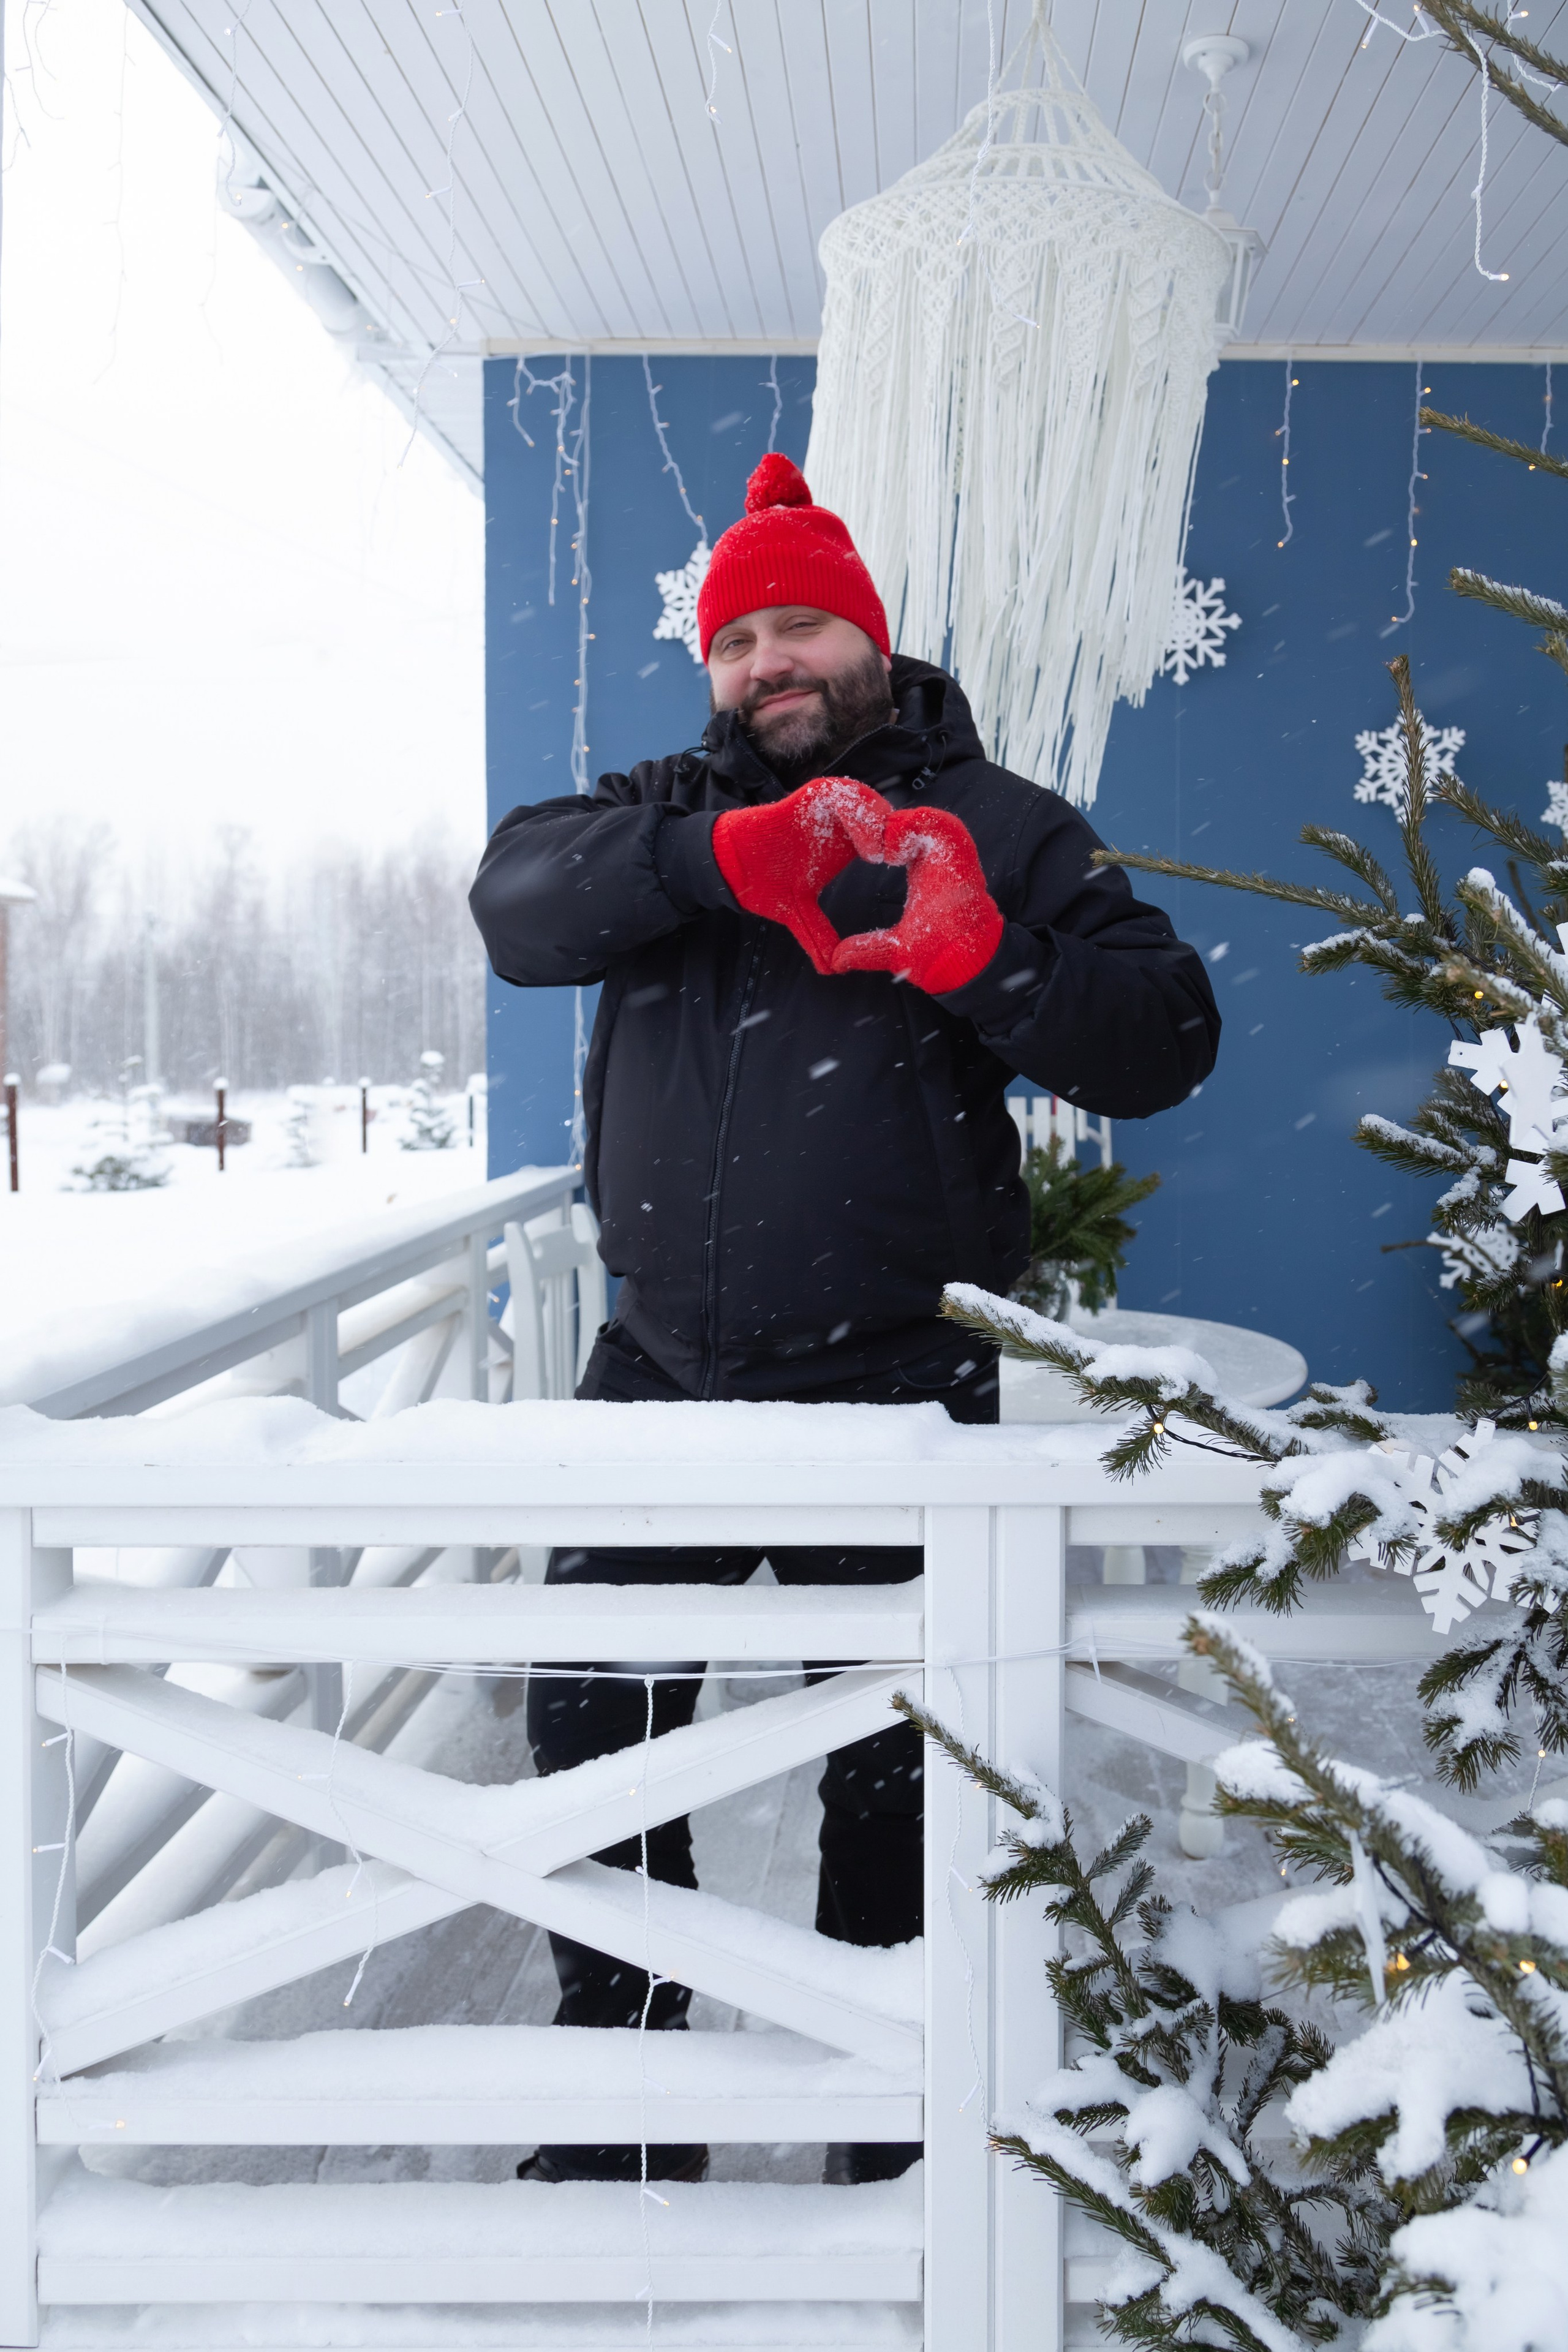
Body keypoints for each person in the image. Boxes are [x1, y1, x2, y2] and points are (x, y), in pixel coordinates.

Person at [470, 452, 1219, 2188]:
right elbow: (513, 907)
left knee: (896, 1771)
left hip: (895, 1388)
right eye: (737, 639)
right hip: (662, 1375)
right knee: (592, 1734)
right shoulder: (657, 812)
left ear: (869, 639)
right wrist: (716, 859)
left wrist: (986, 960)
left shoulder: (1004, 821)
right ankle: (632, 2104)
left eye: (801, 625)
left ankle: (887, 2117)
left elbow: (1168, 1033)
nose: (766, 664)